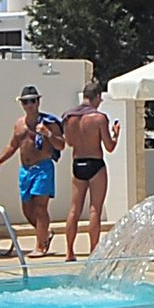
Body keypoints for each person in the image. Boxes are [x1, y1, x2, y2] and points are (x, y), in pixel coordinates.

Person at [0, 88, 61, 255]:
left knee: (40, 207)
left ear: (38, 102)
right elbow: (12, 146)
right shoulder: (19, 124)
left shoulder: (48, 123)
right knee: (27, 210)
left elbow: (61, 145)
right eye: (26, 101)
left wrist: (48, 134)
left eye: (32, 101)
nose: (29, 105)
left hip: (43, 168)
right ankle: (44, 233)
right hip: (25, 171)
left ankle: (40, 246)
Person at [58, 93, 118, 258]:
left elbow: (69, 142)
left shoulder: (69, 117)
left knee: (74, 209)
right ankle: (93, 251)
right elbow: (109, 147)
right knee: (95, 209)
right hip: (95, 163)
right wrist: (115, 134)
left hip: (78, 163)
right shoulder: (99, 118)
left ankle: (69, 252)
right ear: (96, 97)